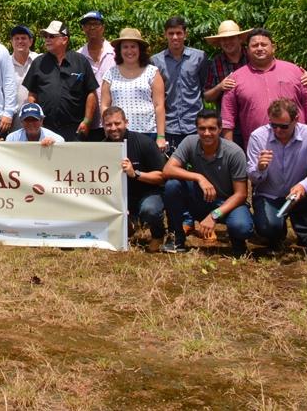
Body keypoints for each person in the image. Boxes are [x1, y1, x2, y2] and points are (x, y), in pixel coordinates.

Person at [161, 109, 254, 256]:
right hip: (200, 198)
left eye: (212, 128)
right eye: (202, 128)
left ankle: (238, 244)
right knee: (172, 186)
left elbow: (241, 194)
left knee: (242, 227)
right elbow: (167, 169)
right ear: (196, 129)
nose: (206, 133)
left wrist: (213, 216)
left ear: (220, 129)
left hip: (226, 203)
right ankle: (175, 238)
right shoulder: (190, 142)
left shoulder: (234, 152)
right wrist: (199, 177)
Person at [246, 98, 307, 256]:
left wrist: (303, 186)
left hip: (300, 196)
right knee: (269, 229)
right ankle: (277, 233)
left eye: (283, 126)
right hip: (269, 194)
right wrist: (260, 168)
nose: (278, 130)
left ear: (296, 120)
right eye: (273, 125)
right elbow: (254, 179)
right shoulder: (258, 137)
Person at [221, 28, 307, 147]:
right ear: (247, 50)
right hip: (258, 148)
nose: (259, 48)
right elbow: (227, 120)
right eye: (254, 45)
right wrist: (230, 151)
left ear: (273, 47)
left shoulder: (295, 72)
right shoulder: (235, 79)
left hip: (298, 145)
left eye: (264, 44)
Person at [21, 21, 98, 142]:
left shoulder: (80, 61)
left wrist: (87, 121)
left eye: (51, 36)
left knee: (73, 161)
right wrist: (36, 122)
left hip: (75, 129)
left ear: (64, 39)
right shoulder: (38, 62)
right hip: (45, 129)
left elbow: (91, 93)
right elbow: (32, 95)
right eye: (45, 36)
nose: (47, 39)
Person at [102, 106, 166, 252]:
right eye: (109, 124)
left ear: (126, 122)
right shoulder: (103, 146)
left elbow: (161, 177)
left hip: (148, 193)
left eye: (117, 123)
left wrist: (135, 173)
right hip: (122, 199)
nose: (113, 128)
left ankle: (158, 234)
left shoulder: (144, 143)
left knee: (150, 209)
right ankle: (132, 224)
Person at [100, 28, 166, 152]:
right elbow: (104, 105)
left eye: (133, 46)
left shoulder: (152, 72)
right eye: (125, 47)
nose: (129, 51)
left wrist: (161, 136)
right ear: (119, 50)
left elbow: (159, 105)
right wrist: (108, 129)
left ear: (140, 49)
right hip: (118, 134)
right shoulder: (110, 73)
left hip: (147, 132)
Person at [151, 16, 207, 151]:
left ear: (185, 34)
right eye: (171, 33)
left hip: (194, 124)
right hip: (169, 126)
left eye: (178, 33)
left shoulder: (199, 57)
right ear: (165, 34)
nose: (175, 37)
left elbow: (204, 86)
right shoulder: (156, 61)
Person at [76, 11, 115, 141]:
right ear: (83, 29)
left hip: (112, 122)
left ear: (103, 27)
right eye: (87, 25)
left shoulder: (116, 54)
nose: (91, 28)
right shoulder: (78, 56)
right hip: (87, 122)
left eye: (95, 24)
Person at [9, 25, 39, 112]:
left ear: (31, 41)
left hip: (35, 114)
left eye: (23, 38)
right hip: (12, 115)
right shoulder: (6, 63)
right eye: (16, 38)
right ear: (11, 42)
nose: (20, 41)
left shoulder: (39, 60)